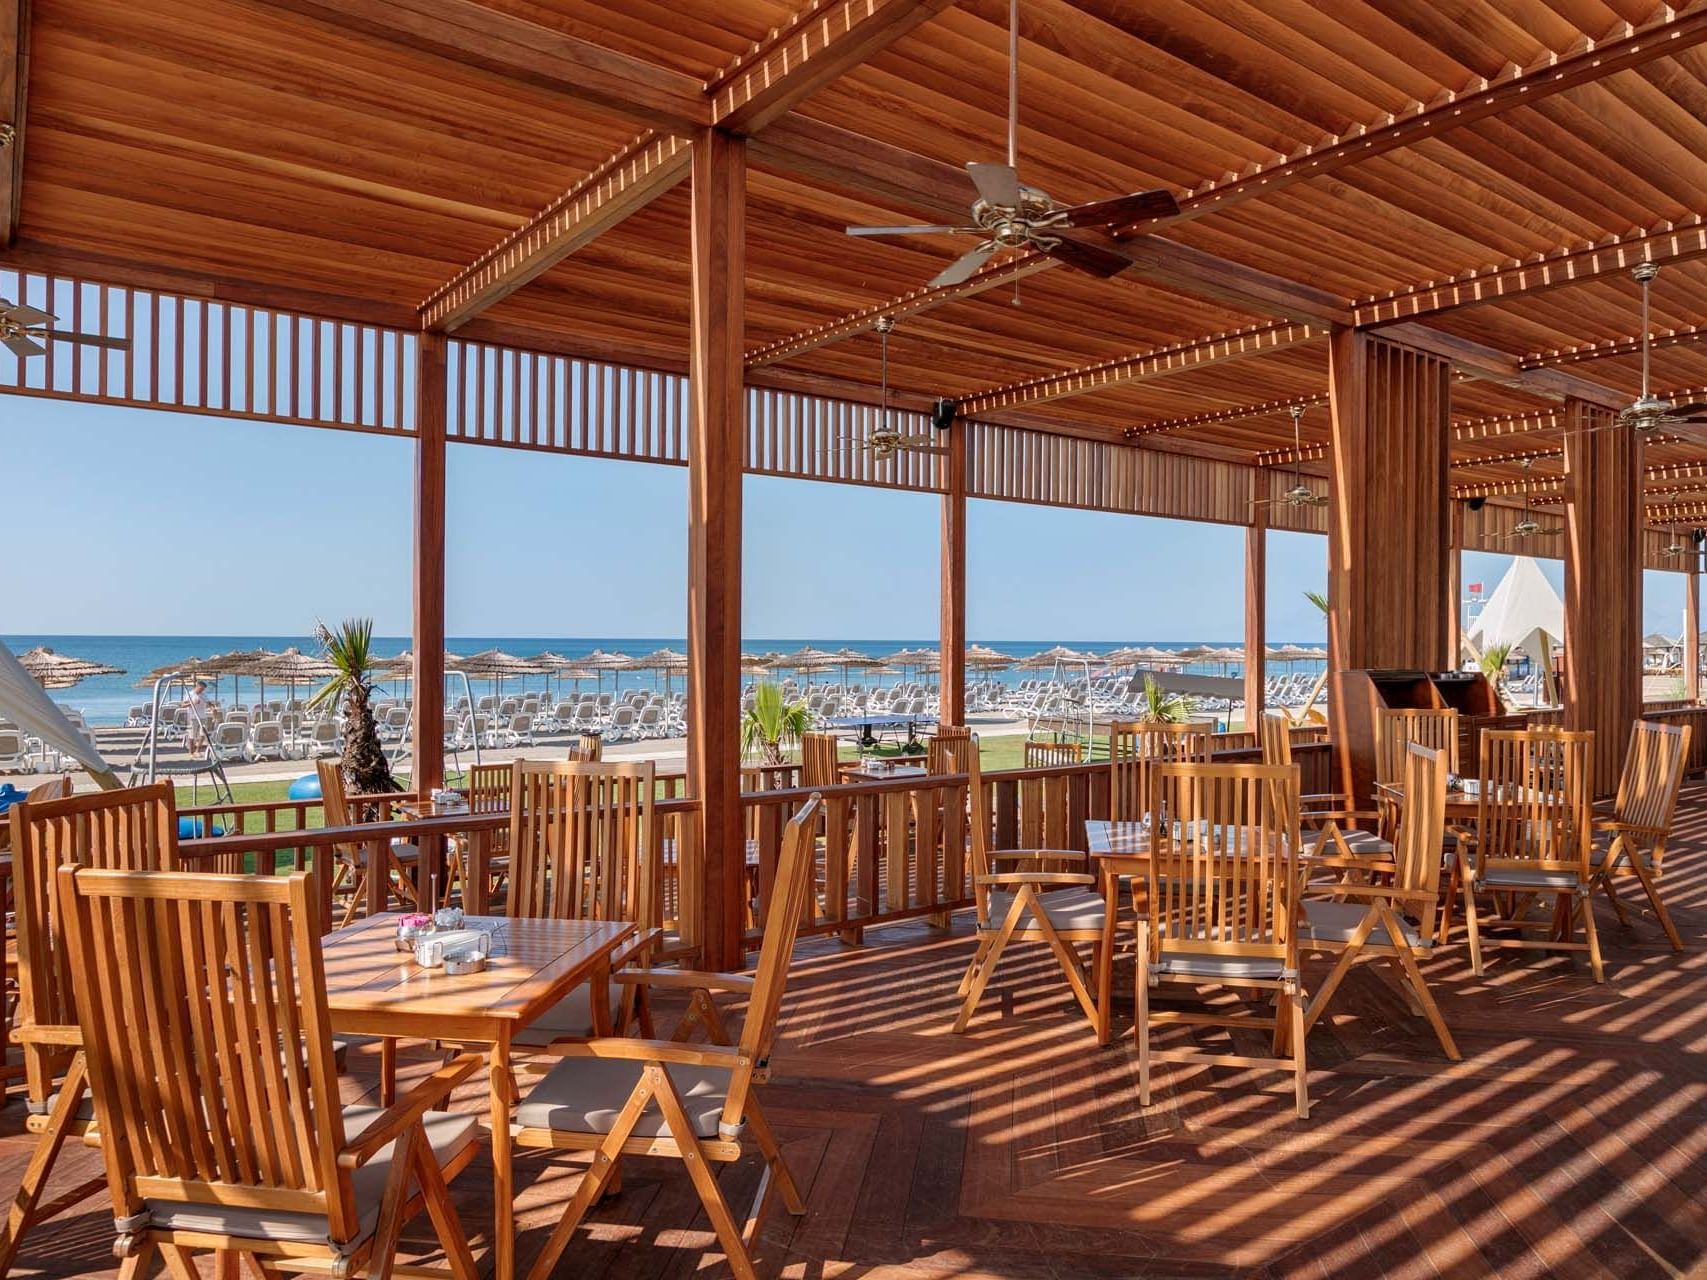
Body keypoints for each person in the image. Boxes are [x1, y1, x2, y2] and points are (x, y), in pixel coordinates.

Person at [182, 680, 213, 753]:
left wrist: (212, 708)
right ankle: (191, 752)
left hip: (203, 716)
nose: (201, 690)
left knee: (203, 734)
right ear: (197, 686)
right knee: (192, 735)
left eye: (203, 689)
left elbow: (209, 703)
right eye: (201, 689)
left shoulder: (203, 695)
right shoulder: (190, 694)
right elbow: (183, 705)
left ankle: (197, 750)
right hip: (193, 716)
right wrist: (193, 703)